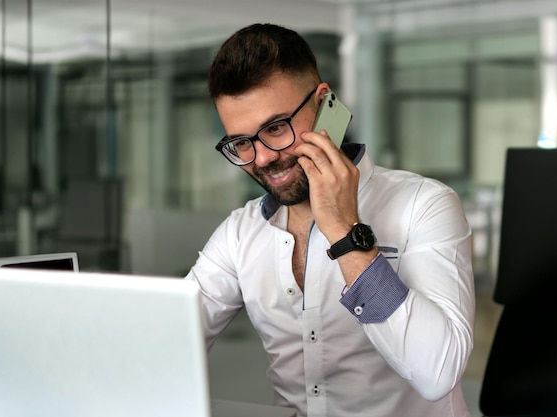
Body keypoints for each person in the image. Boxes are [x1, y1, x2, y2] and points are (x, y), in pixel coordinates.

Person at [186, 23, 475, 417]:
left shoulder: (424, 204)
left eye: (275, 128)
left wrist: (344, 230)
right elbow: (171, 340)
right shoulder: (240, 233)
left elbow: (438, 373)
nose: (264, 157)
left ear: (324, 103)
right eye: (242, 142)